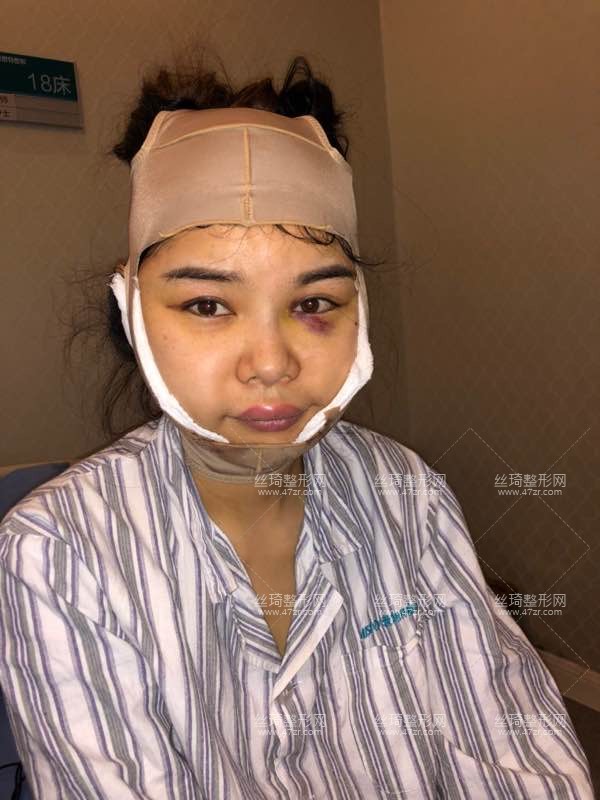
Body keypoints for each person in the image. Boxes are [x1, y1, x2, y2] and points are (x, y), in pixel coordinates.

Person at [0, 54, 594, 800]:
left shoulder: (406, 490)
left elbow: (513, 741)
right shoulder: (59, 554)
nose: (272, 363)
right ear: (132, 313)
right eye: (208, 305)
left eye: (314, 304)